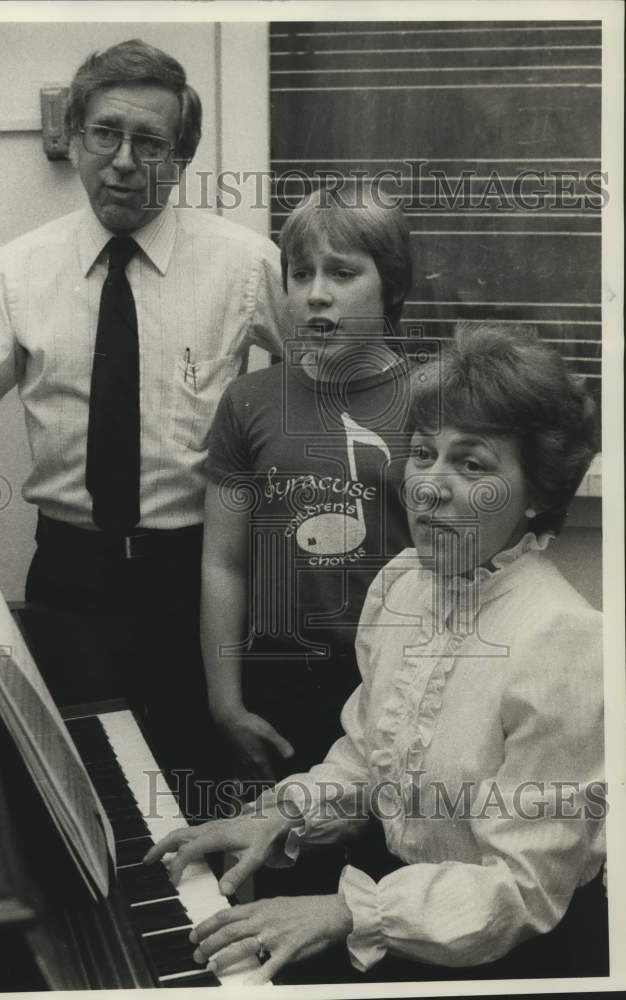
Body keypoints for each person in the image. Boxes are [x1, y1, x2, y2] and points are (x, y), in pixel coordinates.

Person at [0, 38, 289, 814]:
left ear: (183, 156)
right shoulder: (21, 268)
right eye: (105, 134)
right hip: (70, 575)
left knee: (196, 788)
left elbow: (330, 378)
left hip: (196, 577)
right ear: (74, 136)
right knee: (81, 795)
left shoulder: (241, 264)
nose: (125, 161)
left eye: (151, 142)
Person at [145, 323, 605, 984]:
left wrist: (343, 912)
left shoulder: (565, 642)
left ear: (536, 495)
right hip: (405, 914)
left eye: (472, 464)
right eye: (422, 453)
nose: (427, 487)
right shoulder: (402, 586)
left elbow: (522, 894)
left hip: (511, 952)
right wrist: (283, 811)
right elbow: (369, 760)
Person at [202, 181, 412, 796]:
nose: (317, 294)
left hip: (391, 677)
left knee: (389, 867)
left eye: (343, 273)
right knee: (282, 848)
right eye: (300, 274)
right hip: (281, 679)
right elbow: (224, 561)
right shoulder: (250, 402)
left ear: (392, 284)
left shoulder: (435, 405)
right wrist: (226, 703)